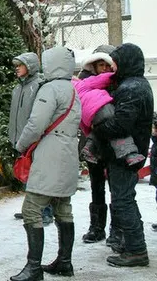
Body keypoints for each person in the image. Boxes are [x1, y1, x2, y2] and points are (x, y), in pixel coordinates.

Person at [10, 46, 81, 281]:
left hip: (50, 154)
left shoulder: (49, 89)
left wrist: (20, 146)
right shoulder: (72, 89)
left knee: (31, 209)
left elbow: (35, 123)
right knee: (63, 208)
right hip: (68, 153)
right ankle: (65, 262)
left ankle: (33, 268)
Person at [93, 43, 153, 267]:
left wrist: (96, 128)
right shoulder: (136, 85)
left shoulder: (131, 88)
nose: (113, 66)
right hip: (129, 152)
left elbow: (121, 124)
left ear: (126, 61)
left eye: (116, 61)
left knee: (123, 201)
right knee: (125, 199)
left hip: (126, 154)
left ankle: (136, 250)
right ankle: (133, 246)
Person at [72, 46, 121, 245]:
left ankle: (116, 229)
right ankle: (97, 227)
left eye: (107, 65)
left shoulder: (118, 81)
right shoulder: (85, 82)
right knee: (96, 185)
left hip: (113, 140)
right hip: (92, 141)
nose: (104, 69)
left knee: (117, 187)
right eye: (101, 65)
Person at [9, 52, 53, 225]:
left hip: (35, 139)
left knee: (39, 177)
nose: (17, 69)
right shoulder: (18, 88)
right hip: (21, 138)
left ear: (30, 66)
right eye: (16, 66)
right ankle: (31, 209)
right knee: (28, 175)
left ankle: (46, 212)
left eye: (20, 65)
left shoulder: (39, 86)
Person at [77, 72, 144, 167]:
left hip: (87, 115)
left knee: (99, 129)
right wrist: (113, 75)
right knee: (116, 128)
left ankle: (89, 148)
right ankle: (130, 154)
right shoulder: (82, 83)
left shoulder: (70, 94)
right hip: (101, 106)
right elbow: (100, 79)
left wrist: (87, 130)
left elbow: (79, 119)